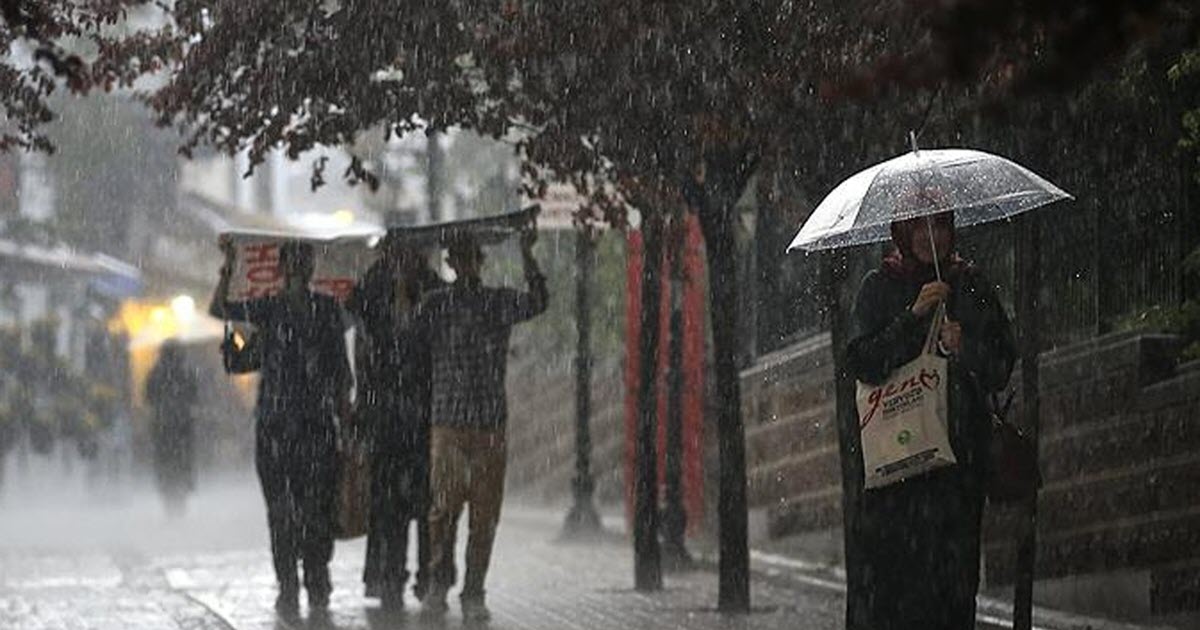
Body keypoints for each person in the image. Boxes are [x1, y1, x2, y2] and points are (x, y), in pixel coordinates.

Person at [842, 211, 1016, 630]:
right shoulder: (879, 287)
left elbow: (1000, 365)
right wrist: (913, 317)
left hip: (955, 478)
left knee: (951, 599)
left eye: (939, 225)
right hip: (894, 480)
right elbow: (862, 361)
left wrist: (964, 347)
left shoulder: (969, 284)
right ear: (900, 231)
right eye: (918, 226)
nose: (929, 236)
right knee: (893, 598)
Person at [407, 229, 547, 621]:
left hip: (487, 423)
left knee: (484, 515)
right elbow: (408, 337)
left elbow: (538, 301)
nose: (465, 264)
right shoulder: (435, 305)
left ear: (478, 262)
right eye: (459, 257)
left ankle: (474, 590)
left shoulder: (497, 302)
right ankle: (439, 582)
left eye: (470, 257)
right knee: (443, 510)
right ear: (451, 263)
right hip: (449, 422)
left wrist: (527, 255)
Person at [210, 240, 352, 621]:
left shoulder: (325, 311)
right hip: (276, 428)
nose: (298, 271)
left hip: (316, 426)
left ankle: (315, 578)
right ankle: (289, 583)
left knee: (316, 509)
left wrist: (346, 421)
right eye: (293, 264)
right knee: (282, 511)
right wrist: (228, 267)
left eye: (302, 264)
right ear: (285, 269)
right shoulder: (269, 309)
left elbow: (340, 373)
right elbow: (220, 309)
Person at [346, 236, 445, 611]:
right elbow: (358, 321)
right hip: (386, 416)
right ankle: (390, 576)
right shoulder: (374, 289)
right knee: (389, 504)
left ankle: (427, 575)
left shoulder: (432, 290)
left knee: (425, 503)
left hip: (422, 414)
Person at [145, 340, 199, 516]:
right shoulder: (187, 371)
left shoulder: (155, 372)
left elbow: (148, 397)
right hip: (183, 425)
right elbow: (195, 395)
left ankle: (169, 502)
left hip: (162, 425)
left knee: (165, 463)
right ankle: (180, 500)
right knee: (182, 462)